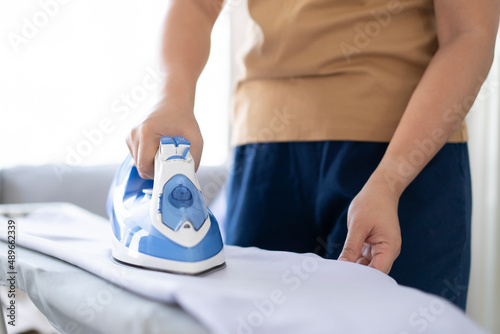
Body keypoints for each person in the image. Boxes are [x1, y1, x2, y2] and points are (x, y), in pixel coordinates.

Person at [126, 0, 500, 310]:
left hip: (405, 160)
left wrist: (390, 180)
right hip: (265, 156)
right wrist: (172, 99)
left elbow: (470, 32)